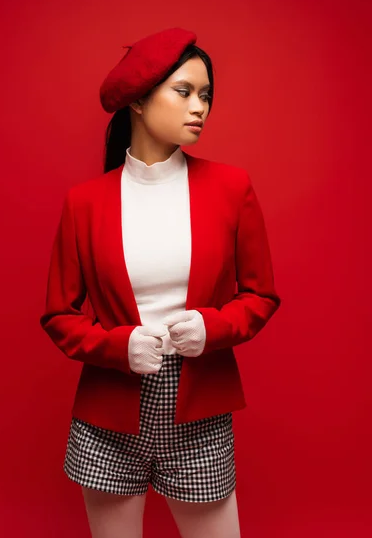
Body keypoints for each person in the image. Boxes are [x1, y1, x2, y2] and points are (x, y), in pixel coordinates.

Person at [40, 27, 281, 538]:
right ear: (139, 102)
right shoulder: (84, 203)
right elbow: (59, 314)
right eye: (185, 91)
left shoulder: (232, 187)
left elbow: (260, 295)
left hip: (200, 406)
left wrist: (211, 327)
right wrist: (118, 345)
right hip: (109, 412)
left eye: (206, 95)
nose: (201, 107)